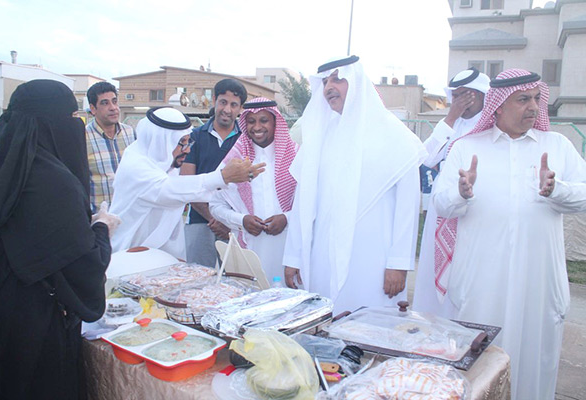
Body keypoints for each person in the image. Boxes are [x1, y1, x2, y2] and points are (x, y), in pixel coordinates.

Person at [432, 69, 586, 400]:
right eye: (523, 99)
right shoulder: (466, 147)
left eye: (536, 99)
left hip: (539, 285)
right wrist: (461, 192)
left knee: (534, 368)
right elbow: (441, 204)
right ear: (498, 105)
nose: (533, 107)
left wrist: (556, 190)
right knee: (478, 372)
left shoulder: (557, 146)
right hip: (481, 284)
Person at [0, 80, 120, 399]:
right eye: (71, 117)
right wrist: (102, 227)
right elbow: (84, 267)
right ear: (52, 124)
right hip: (38, 326)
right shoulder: (55, 184)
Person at [283, 56, 426, 314]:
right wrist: (293, 256)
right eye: (325, 82)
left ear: (357, 83)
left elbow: (408, 204)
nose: (329, 87)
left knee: (369, 326)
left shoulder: (394, 134)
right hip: (322, 257)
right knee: (326, 321)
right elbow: (301, 202)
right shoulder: (320, 135)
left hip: (373, 260)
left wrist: (398, 263)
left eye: (338, 79)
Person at [110, 107, 264, 260]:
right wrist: (222, 177)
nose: (187, 150)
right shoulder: (135, 165)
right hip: (128, 255)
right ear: (162, 142)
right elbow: (168, 190)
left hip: (161, 256)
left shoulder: (166, 164)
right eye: (181, 143)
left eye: (188, 142)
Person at [413, 68, 489, 318]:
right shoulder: (451, 124)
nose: (459, 102)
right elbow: (427, 158)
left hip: (474, 205)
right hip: (443, 204)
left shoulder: (491, 126)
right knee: (435, 265)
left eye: (465, 96)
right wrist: (451, 117)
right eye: (455, 97)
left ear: (481, 95)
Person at [210, 98, 298, 280]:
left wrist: (286, 218)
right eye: (251, 121)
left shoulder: (296, 156)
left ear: (275, 122)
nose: (257, 127)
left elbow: (313, 203)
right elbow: (215, 206)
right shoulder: (234, 160)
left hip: (289, 250)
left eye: (264, 120)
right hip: (247, 248)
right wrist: (242, 220)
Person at [181, 79, 248, 267]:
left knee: (236, 278)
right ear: (214, 101)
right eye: (223, 102)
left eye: (233, 105)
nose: (227, 109)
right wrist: (214, 219)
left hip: (234, 225)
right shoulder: (194, 137)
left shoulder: (245, 140)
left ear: (240, 108)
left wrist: (228, 221)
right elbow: (187, 184)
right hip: (200, 221)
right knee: (198, 278)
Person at [86, 81, 137, 212]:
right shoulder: (83, 137)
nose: (113, 107)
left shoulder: (130, 133)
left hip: (130, 214)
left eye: (114, 101)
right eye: (105, 103)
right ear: (93, 109)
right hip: (100, 216)